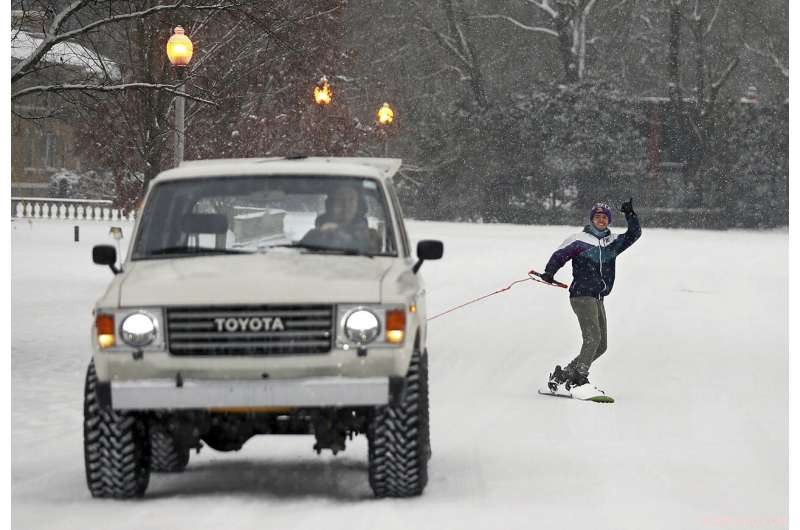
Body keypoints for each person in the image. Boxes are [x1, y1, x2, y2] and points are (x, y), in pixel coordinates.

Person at [539, 198, 641, 392]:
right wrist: (549, 272)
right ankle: (579, 378)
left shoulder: (612, 242)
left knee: (601, 345)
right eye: (597, 217)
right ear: (592, 219)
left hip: (598, 297)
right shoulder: (579, 239)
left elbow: (634, 234)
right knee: (593, 338)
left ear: (609, 221)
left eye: (604, 217)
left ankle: (566, 374)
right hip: (581, 295)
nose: (601, 220)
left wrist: (630, 215)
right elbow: (559, 255)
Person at [301, 185, 376, 252]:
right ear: (331, 204)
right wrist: (319, 233)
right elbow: (298, 256)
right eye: (340, 199)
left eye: (351, 200)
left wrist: (343, 236)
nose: (346, 205)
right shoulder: (315, 234)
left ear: (359, 205)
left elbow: (376, 258)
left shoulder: (369, 236)